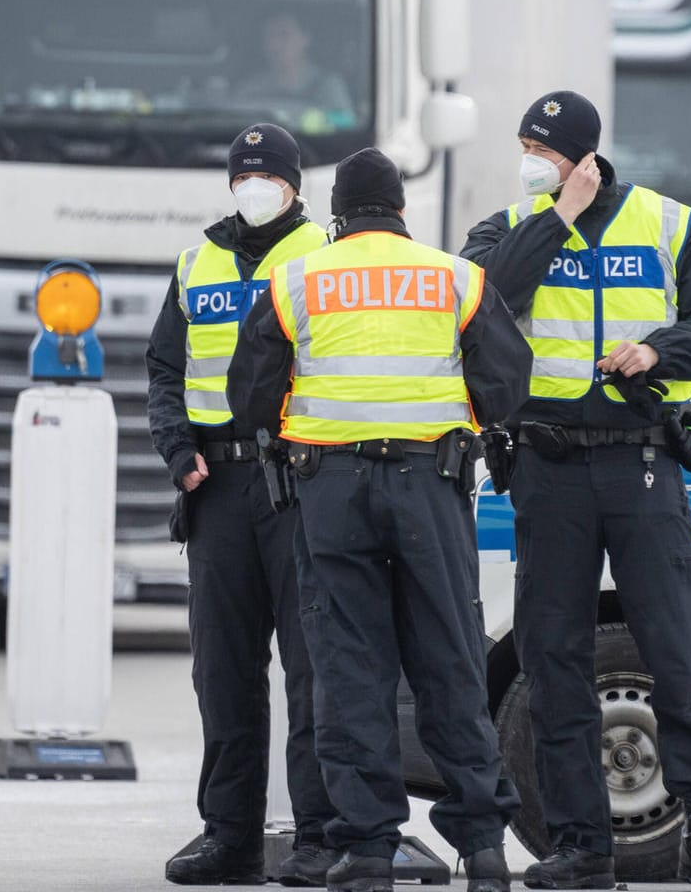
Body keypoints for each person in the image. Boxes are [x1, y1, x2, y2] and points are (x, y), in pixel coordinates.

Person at [460, 91, 691, 892]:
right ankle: (581, 846)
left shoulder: (667, 224)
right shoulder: (509, 228)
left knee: (682, 652)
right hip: (547, 469)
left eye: (541, 147)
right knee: (553, 660)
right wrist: (559, 216)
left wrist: (659, 352)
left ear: (582, 153)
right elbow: (480, 307)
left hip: (642, 461)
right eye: (522, 144)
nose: (528, 159)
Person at [228, 148, 529, 892]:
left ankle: (367, 851)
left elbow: (250, 396)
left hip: (331, 492)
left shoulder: (296, 280)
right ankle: (483, 850)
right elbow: (507, 380)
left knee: (349, 668)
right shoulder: (452, 277)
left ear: (337, 214)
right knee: (451, 661)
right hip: (431, 485)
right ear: (401, 210)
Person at [147, 123, 337, 887]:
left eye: (268, 177)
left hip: (299, 481)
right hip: (217, 486)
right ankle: (230, 835)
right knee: (223, 669)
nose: (253, 188)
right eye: (242, 176)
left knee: (314, 666)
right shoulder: (197, 263)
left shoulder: (326, 254)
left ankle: (320, 834)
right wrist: (177, 450)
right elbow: (164, 368)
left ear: (295, 186)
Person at [235, 11, 356, 134]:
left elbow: (348, 122)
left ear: (305, 39)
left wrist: (321, 119)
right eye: (269, 36)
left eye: (284, 35)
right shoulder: (251, 89)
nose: (275, 45)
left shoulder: (328, 85)